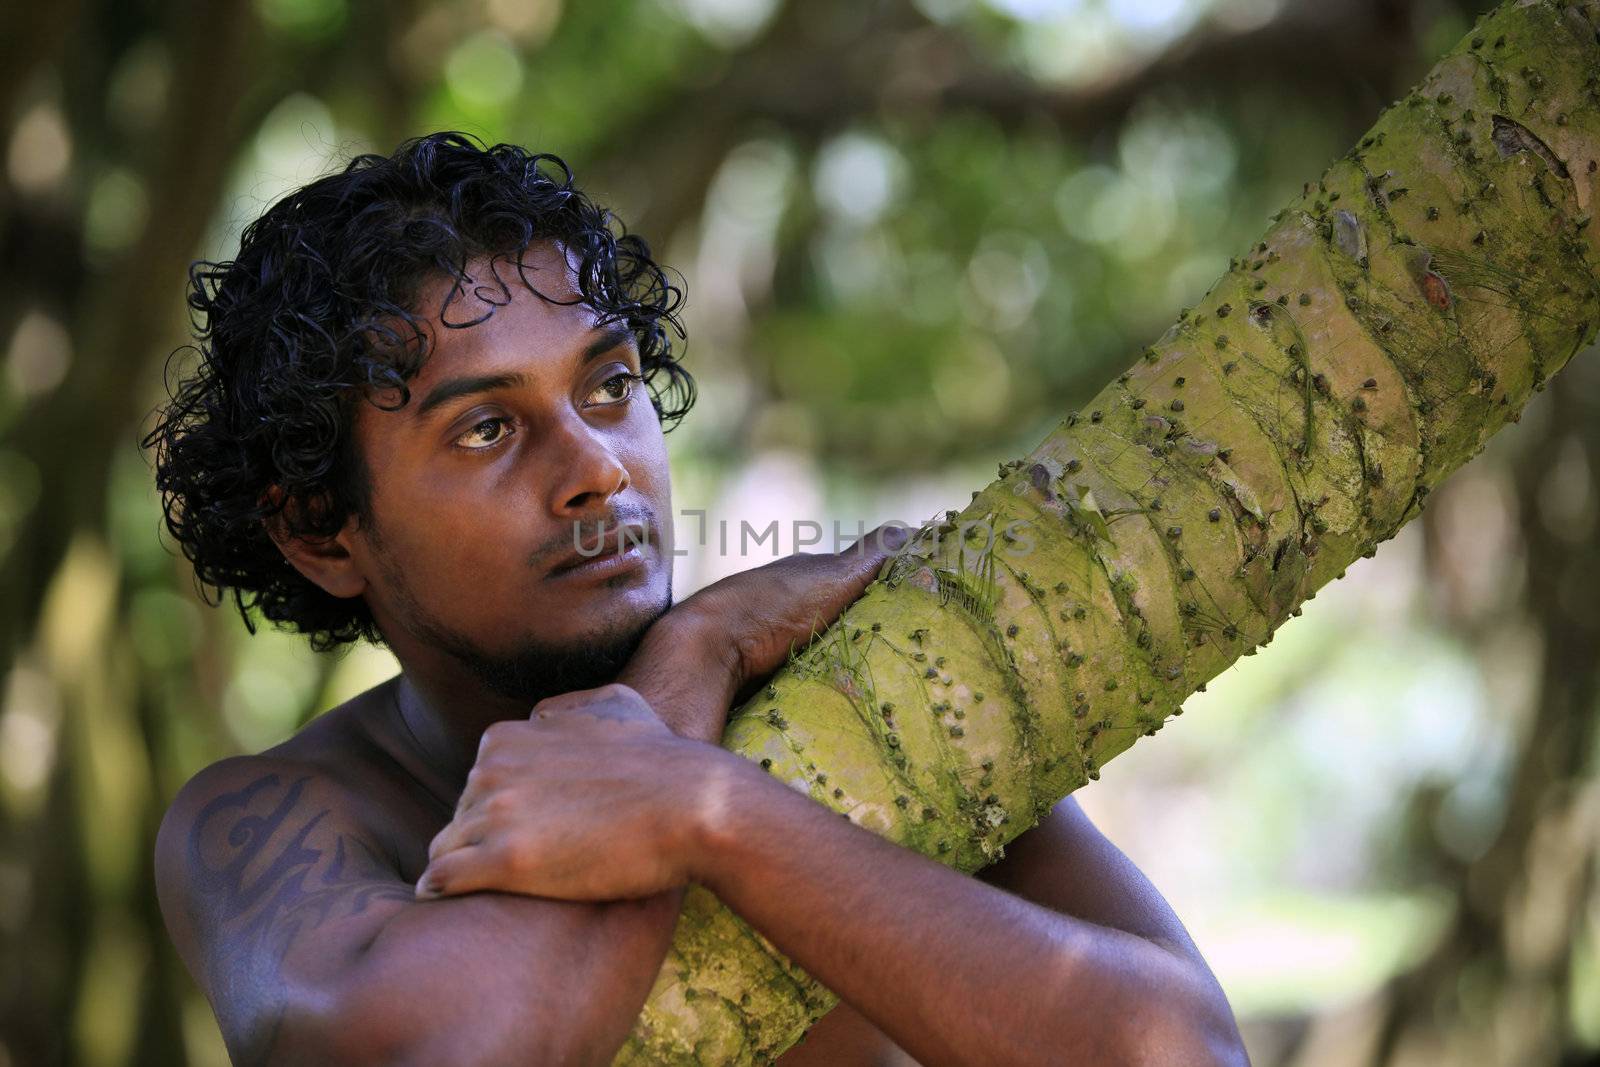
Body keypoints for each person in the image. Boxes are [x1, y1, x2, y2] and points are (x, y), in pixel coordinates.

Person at [148, 131, 1247, 1067]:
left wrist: (717, 814)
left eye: (610, 385)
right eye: (486, 427)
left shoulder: (858, 692)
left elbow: (1185, 1050)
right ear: (317, 530)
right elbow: (473, 1036)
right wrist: (690, 659)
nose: (599, 467)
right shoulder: (272, 820)